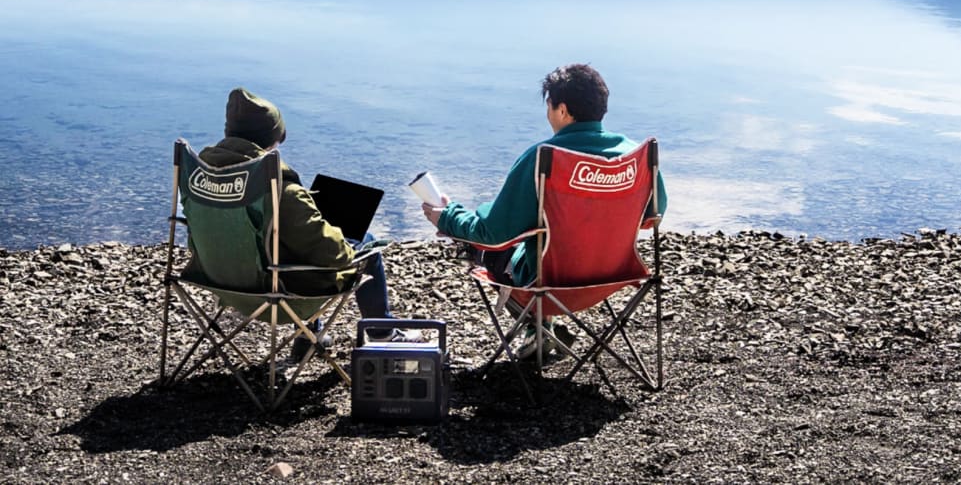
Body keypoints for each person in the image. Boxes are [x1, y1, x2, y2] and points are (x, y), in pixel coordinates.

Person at [422, 64, 667, 359]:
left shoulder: (544, 159)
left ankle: (538, 327)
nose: (548, 113)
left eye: (549, 106)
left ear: (562, 110)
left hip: (548, 288)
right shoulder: (635, 156)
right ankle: (541, 331)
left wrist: (447, 217)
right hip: (614, 277)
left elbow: (493, 234)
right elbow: (654, 214)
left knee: (481, 247)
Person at [198, 87, 420, 358]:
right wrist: (345, 244)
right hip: (271, 292)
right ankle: (381, 330)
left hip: (215, 277)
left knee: (285, 241)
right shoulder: (278, 188)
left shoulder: (202, 175)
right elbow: (333, 254)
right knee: (367, 242)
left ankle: (309, 336)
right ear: (272, 139)